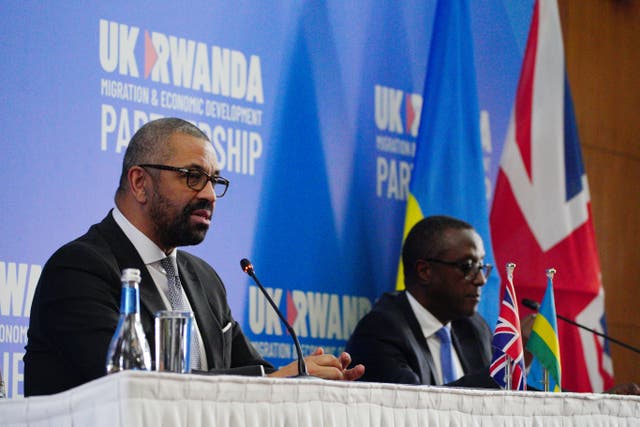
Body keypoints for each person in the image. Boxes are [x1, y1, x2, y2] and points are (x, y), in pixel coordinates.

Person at [24, 117, 364, 396]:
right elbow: (132, 388)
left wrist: (307, 381)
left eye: (215, 181)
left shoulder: (203, 279)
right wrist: (273, 379)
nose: (210, 195)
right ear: (140, 182)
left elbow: (257, 373)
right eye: (193, 177)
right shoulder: (80, 269)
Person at [345, 215, 498, 388]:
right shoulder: (380, 331)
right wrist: (498, 375)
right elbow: (412, 407)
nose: (480, 280)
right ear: (424, 271)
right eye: (467, 266)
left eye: (481, 266)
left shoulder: (473, 327)